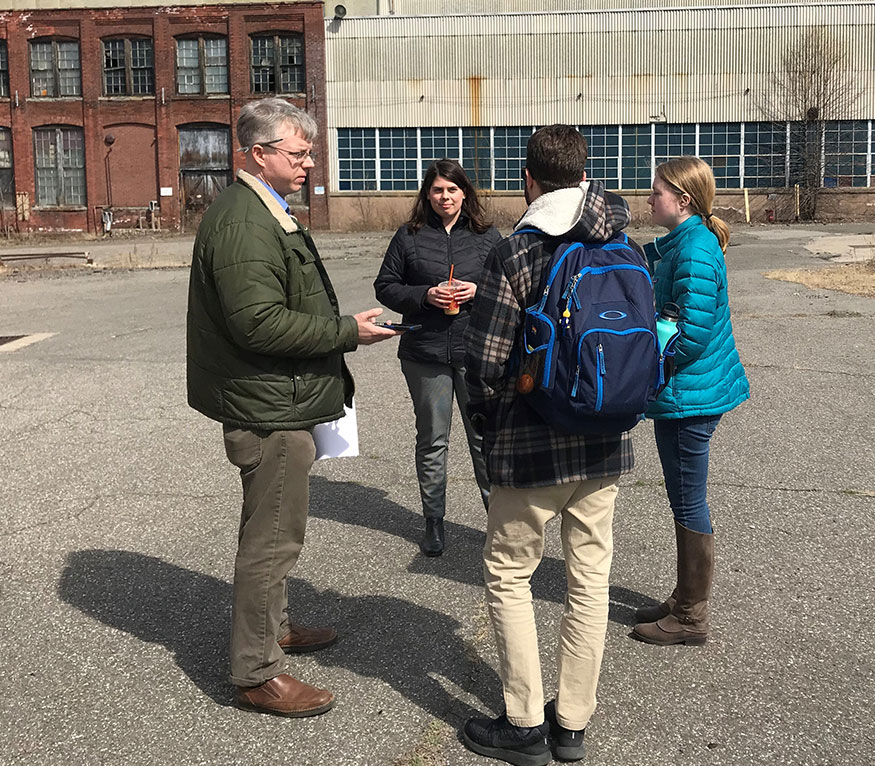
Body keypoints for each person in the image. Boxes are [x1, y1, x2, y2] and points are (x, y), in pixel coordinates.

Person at [186, 98, 398, 718]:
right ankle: (256, 671)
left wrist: (341, 326)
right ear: (259, 154)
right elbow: (257, 323)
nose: (308, 163)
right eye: (298, 153)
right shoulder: (245, 222)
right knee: (272, 541)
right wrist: (345, 332)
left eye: (309, 153)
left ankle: (274, 629)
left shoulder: (261, 208)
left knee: (274, 531)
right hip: (269, 408)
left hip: (279, 398)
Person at [462, 125, 638, 766]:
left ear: (528, 180)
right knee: (589, 582)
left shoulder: (515, 253)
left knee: (510, 575)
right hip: (603, 441)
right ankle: (573, 724)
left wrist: (488, 422)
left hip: (530, 445)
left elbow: (486, 361)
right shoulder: (624, 243)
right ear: (585, 176)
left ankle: (524, 721)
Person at [632, 156, 750, 646]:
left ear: (682, 200)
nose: (648, 199)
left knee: (687, 499)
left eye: (656, 192)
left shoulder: (696, 250)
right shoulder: (685, 241)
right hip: (692, 391)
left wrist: (649, 369)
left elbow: (692, 335)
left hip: (690, 396)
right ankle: (684, 597)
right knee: (685, 497)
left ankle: (691, 615)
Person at [374, 159, 501, 556]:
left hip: (475, 352)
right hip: (424, 352)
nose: (444, 197)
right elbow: (385, 286)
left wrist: (477, 291)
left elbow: (507, 286)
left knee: (484, 439)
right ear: (427, 195)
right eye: (437, 190)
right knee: (432, 439)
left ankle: (498, 523)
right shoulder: (408, 236)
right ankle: (433, 521)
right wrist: (424, 295)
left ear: (465, 193)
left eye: (452, 189)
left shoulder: (487, 236)